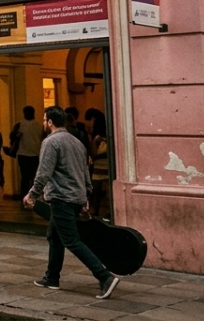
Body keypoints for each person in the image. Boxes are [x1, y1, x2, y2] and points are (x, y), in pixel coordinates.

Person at [23, 106, 120, 300]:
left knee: (71, 240)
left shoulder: (51, 142)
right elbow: (85, 172)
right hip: (75, 197)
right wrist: (86, 197)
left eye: (44, 120)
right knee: (54, 236)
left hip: (61, 197)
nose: (43, 123)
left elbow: (44, 172)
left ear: (50, 122)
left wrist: (32, 194)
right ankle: (52, 278)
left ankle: (105, 277)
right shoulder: (77, 142)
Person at [13, 106, 44, 200]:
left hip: (23, 153)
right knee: (34, 176)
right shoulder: (39, 125)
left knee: (24, 177)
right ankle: (33, 195)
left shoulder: (19, 125)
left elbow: (13, 137)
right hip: (36, 153)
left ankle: (24, 195)